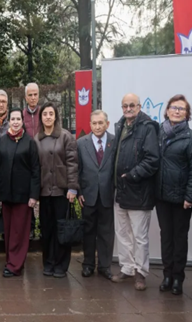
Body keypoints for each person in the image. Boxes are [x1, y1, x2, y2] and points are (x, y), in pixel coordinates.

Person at [112, 93, 159, 291]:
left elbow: (152, 159)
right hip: (120, 191)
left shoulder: (147, 128)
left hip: (138, 190)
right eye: (125, 105)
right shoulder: (120, 125)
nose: (128, 108)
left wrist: (132, 175)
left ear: (139, 107)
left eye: (132, 105)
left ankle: (141, 272)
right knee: (122, 233)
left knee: (139, 236)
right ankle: (127, 268)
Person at [155, 95, 192, 295]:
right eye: (173, 107)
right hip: (161, 196)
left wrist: (190, 197)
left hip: (182, 198)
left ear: (186, 114)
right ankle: (166, 275)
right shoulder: (158, 133)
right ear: (166, 111)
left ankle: (177, 278)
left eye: (181, 109)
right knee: (165, 237)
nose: (176, 111)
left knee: (179, 238)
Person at [34, 102, 78, 279]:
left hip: (61, 191)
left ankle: (61, 264)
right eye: (45, 114)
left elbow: (73, 163)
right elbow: (35, 167)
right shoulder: (37, 138)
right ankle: (49, 262)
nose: (48, 117)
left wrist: (73, 188)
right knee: (47, 229)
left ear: (56, 116)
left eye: (51, 114)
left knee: (61, 229)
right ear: (41, 117)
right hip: (45, 192)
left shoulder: (66, 136)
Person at [0, 109, 41, 277]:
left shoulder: (29, 142)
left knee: (19, 232)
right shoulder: (2, 141)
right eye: (12, 119)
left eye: (18, 119)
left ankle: (15, 265)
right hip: (6, 194)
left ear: (23, 121)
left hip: (23, 196)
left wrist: (33, 196)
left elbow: (36, 170)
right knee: (8, 230)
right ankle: (11, 261)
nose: (15, 122)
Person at [77, 110, 116, 281]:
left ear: (107, 124)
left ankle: (104, 266)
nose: (98, 126)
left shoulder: (115, 142)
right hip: (88, 195)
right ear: (90, 124)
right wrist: (78, 191)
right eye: (94, 123)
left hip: (108, 194)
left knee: (106, 232)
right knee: (89, 231)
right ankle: (88, 264)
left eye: (101, 123)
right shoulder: (80, 143)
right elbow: (76, 169)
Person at [23, 83, 42, 240]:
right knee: (29, 195)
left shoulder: (45, 113)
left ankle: (42, 226)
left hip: (44, 158)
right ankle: (30, 226)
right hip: (27, 161)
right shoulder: (21, 115)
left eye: (35, 94)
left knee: (44, 194)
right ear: (25, 97)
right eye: (30, 95)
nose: (33, 97)